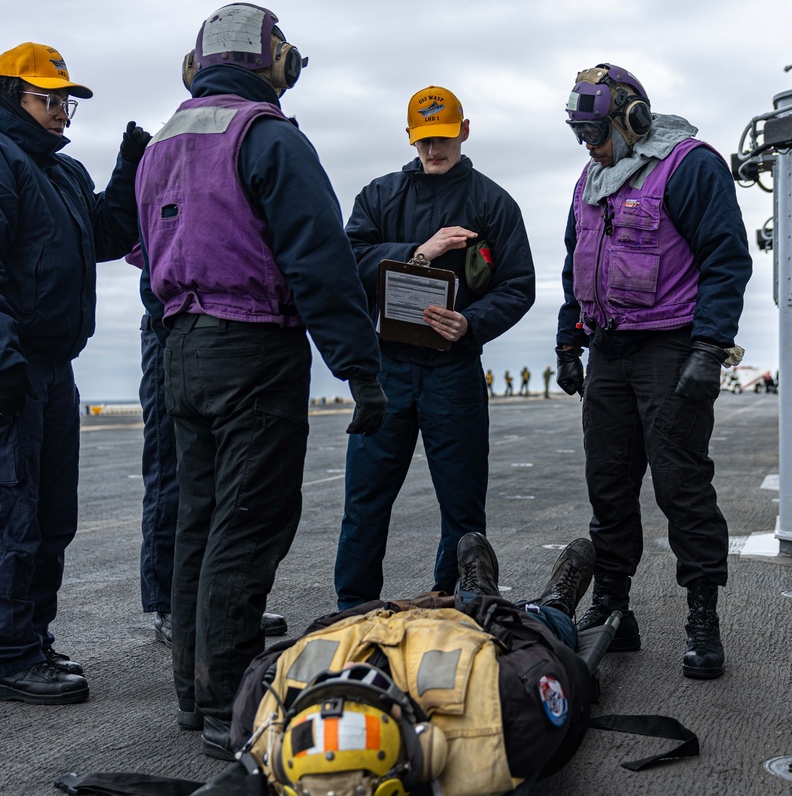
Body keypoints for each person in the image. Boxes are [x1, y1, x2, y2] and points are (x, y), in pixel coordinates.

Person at [133, 4, 387, 759]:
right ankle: (225, 707)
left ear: (198, 62)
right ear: (277, 60)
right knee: (249, 520)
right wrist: (361, 369)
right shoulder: (268, 136)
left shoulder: (161, 145)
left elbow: (147, 258)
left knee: (198, 522)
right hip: (253, 349)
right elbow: (319, 261)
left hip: (179, 346)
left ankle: (194, 692)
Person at [0, 42, 146, 704]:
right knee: (7, 512)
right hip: (1, 366)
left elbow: (102, 238)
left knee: (50, 516)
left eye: (66, 101)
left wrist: (128, 172)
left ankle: (31, 640)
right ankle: (9, 659)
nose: (61, 113)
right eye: (49, 99)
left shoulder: (62, 174)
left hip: (49, 364)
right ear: (5, 97)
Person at [555, 63, 752, 680]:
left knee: (682, 488)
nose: (589, 145)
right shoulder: (592, 179)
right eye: (579, 133)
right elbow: (575, 268)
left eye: (597, 130)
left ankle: (702, 617)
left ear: (632, 117)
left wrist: (708, 349)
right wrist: (569, 343)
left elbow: (726, 260)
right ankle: (614, 610)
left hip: (670, 349)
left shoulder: (691, 165)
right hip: (608, 354)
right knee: (608, 488)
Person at [335, 85, 535, 610]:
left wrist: (470, 323)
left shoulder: (493, 202)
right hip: (388, 370)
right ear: (409, 138)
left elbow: (519, 285)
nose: (433, 151)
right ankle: (353, 606)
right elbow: (345, 262)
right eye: (424, 141)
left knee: (463, 505)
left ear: (464, 130)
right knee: (365, 499)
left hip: (455, 371)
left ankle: (459, 600)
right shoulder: (379, 196)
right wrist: (418, 253)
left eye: (443, 138)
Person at [228, 533, 596, 794]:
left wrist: (390, 608)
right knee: (544, 622)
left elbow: (317, 630)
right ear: (422, 754)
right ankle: (550, 600)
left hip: (380, 624)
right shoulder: (498, 726)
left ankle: (477, 587)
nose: (358, 680)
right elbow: (542, 650)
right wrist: (469, 608)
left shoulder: (259, 719)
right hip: (467, 630)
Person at [125, 259, 288, 647]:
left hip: (225, 330)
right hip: (173, 328)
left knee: (226, 480)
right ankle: (173, 609)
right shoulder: (160, 195)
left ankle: (218, 603)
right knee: (173, 476)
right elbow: (143, 246)